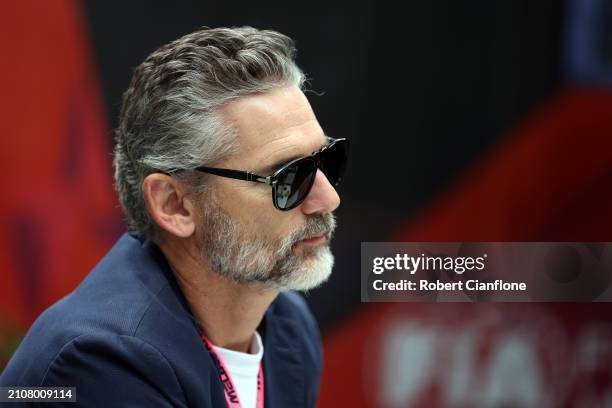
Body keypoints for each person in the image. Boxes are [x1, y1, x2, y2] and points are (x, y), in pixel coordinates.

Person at [0, 26, 349, 407]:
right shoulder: (99, 362)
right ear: (175, 205)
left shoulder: (287, 325)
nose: (327, 199)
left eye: (326, 162)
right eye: (288, 178)